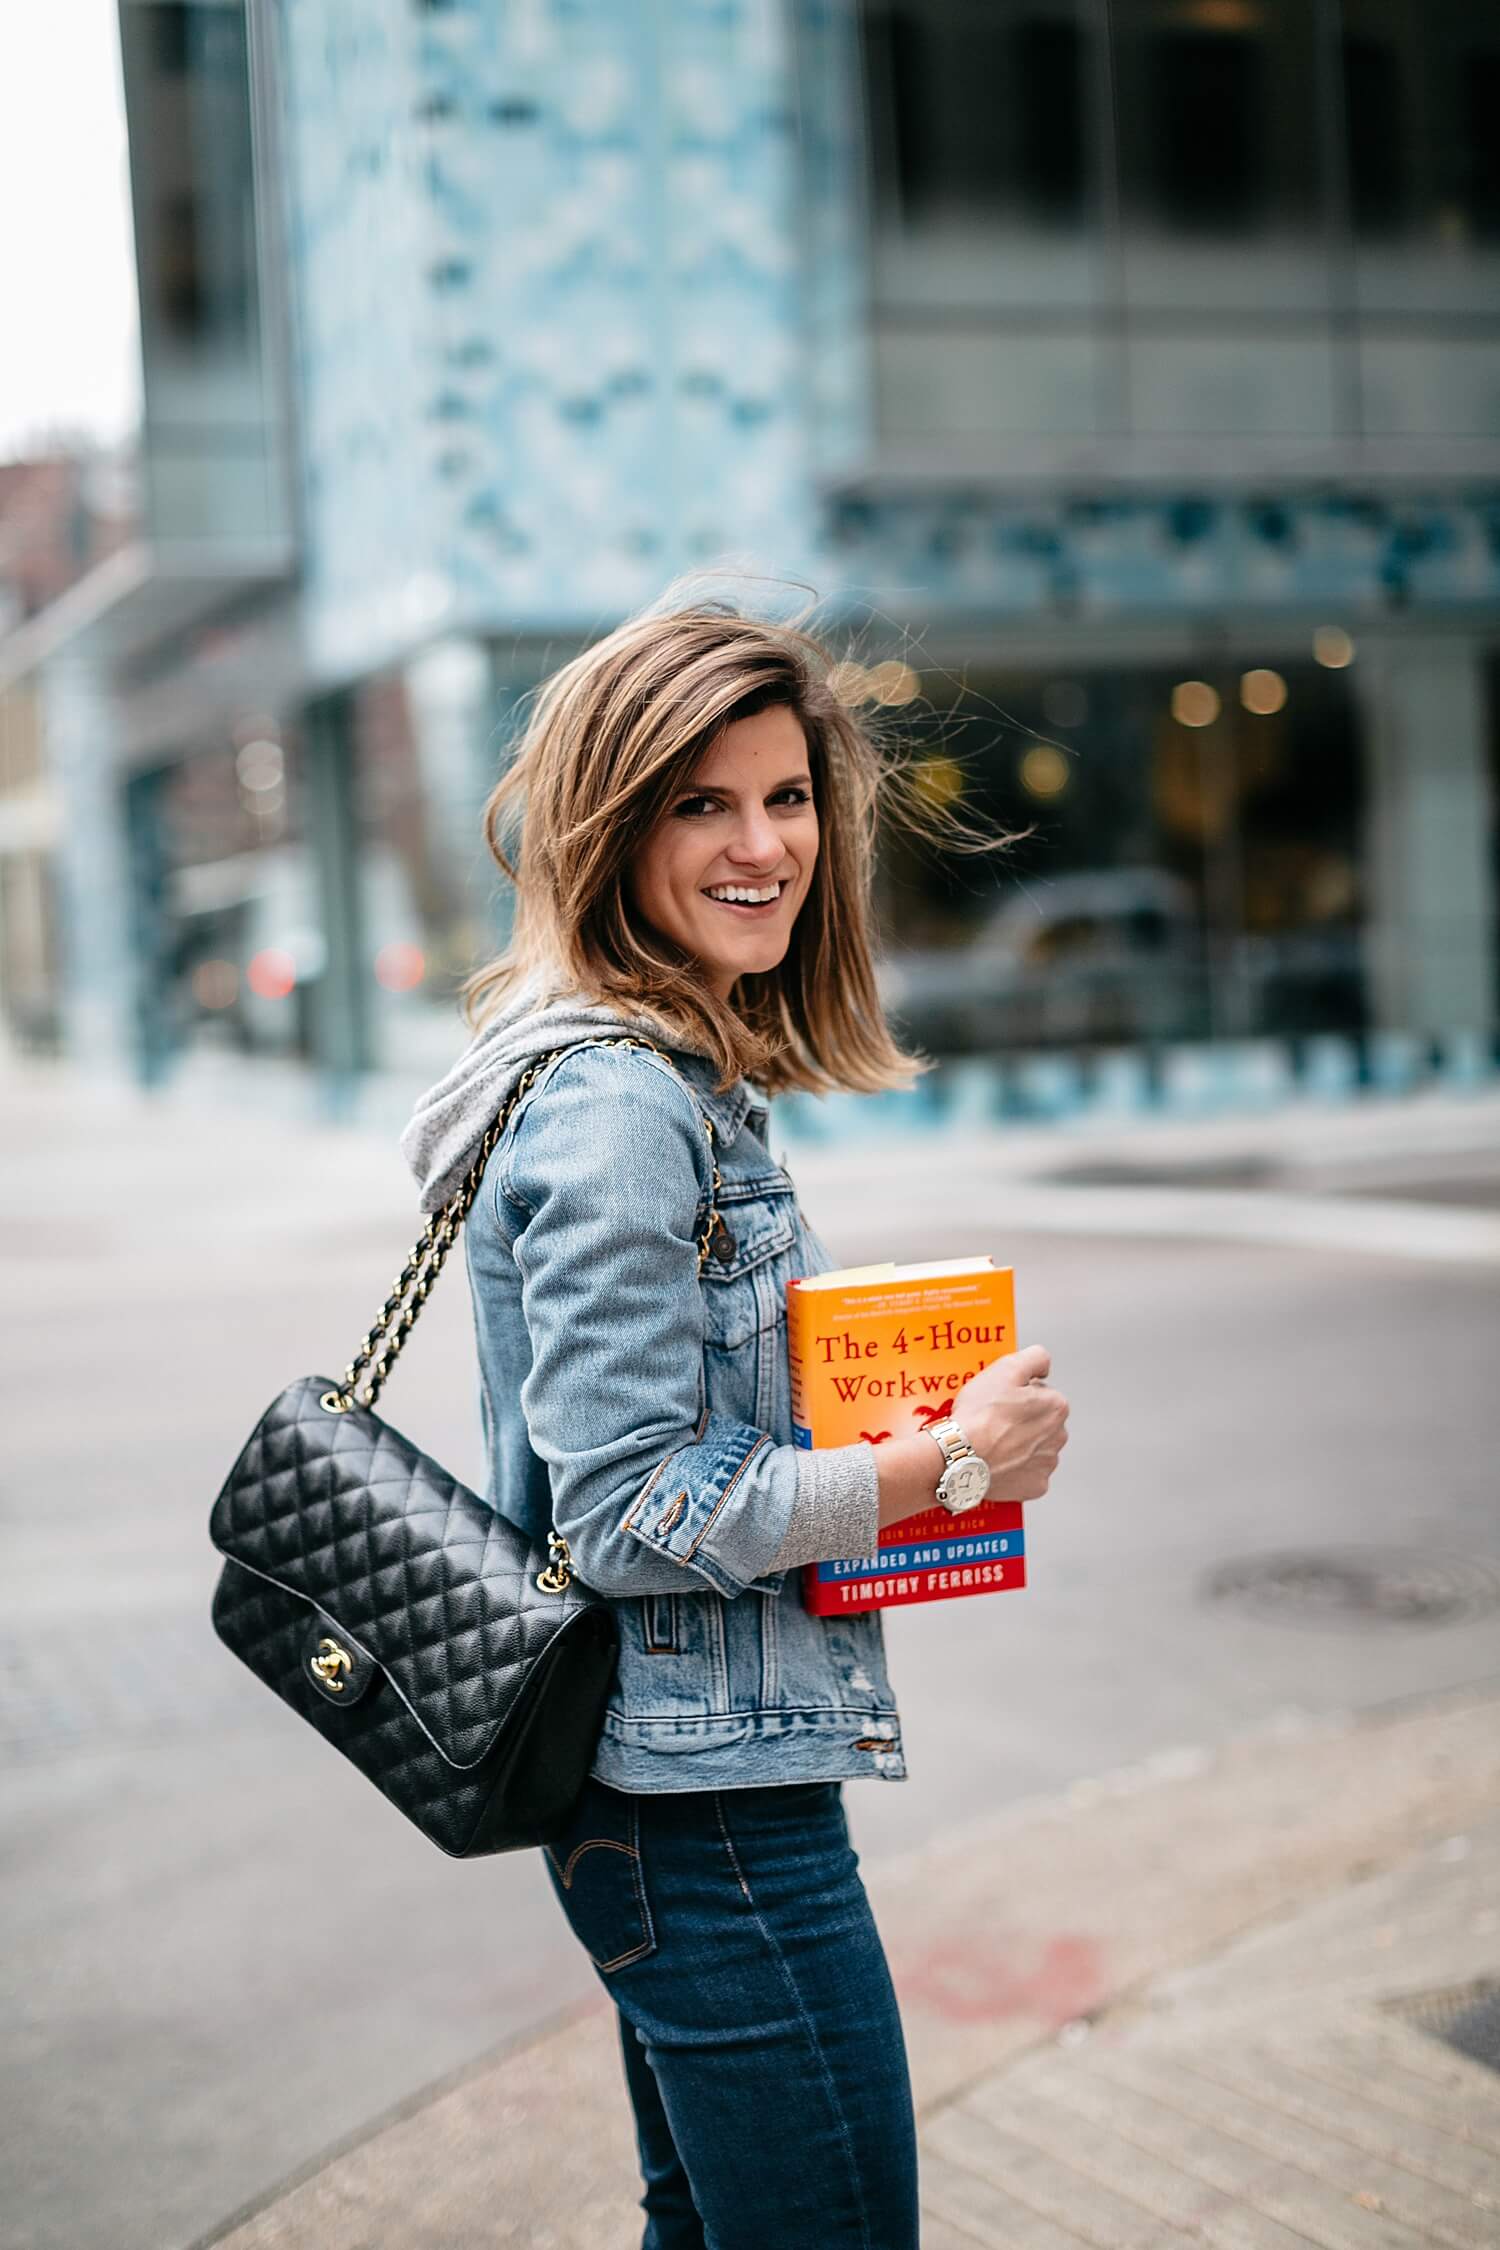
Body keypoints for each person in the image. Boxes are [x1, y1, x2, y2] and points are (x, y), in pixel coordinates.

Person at [400, 587, 1069, 2250]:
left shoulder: (658, 1073)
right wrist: (951, 1467)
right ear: (607, 824)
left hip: (675, 1791)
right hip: (706, 1818)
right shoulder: (623, 1101)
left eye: (785, 798)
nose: (760, 844)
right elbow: (626, 1511)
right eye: (702, 801)